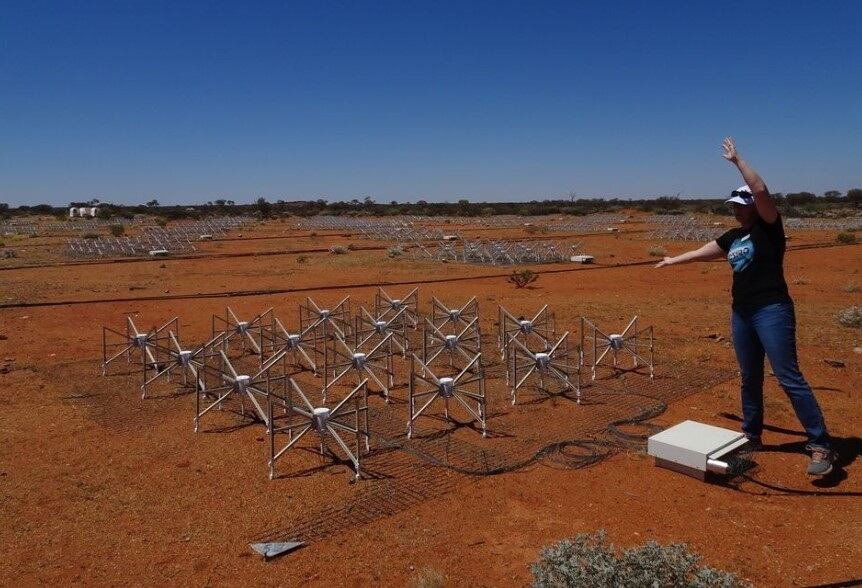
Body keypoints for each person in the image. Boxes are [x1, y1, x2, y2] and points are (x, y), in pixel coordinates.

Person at [654, 137, 835, 476]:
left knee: (787, 376)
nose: (737, 209)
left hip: (772, 310)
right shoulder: (732, 238)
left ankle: (821, 444)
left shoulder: (769, 227)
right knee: (749, 376)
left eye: (742, 203)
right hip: (742, 313)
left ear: (753, 206)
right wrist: (672, 260)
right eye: (734, 204)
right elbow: (701, 253)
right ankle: (752, 434)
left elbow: (762, 190)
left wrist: (738, 161)